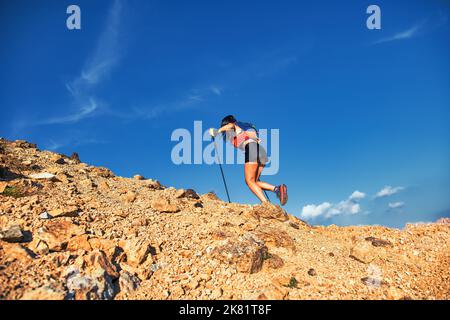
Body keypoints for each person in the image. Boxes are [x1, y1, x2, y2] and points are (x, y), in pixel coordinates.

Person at [210, 115, 288, 205]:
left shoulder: (235, 126)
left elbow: (231, 126)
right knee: (255, 181)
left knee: (249, 181)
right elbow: (250, 137)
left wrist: (217, 131)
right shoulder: (244, 130)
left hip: (252, 149)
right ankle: (278, 189)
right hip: (261, 152)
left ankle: (265, 204)